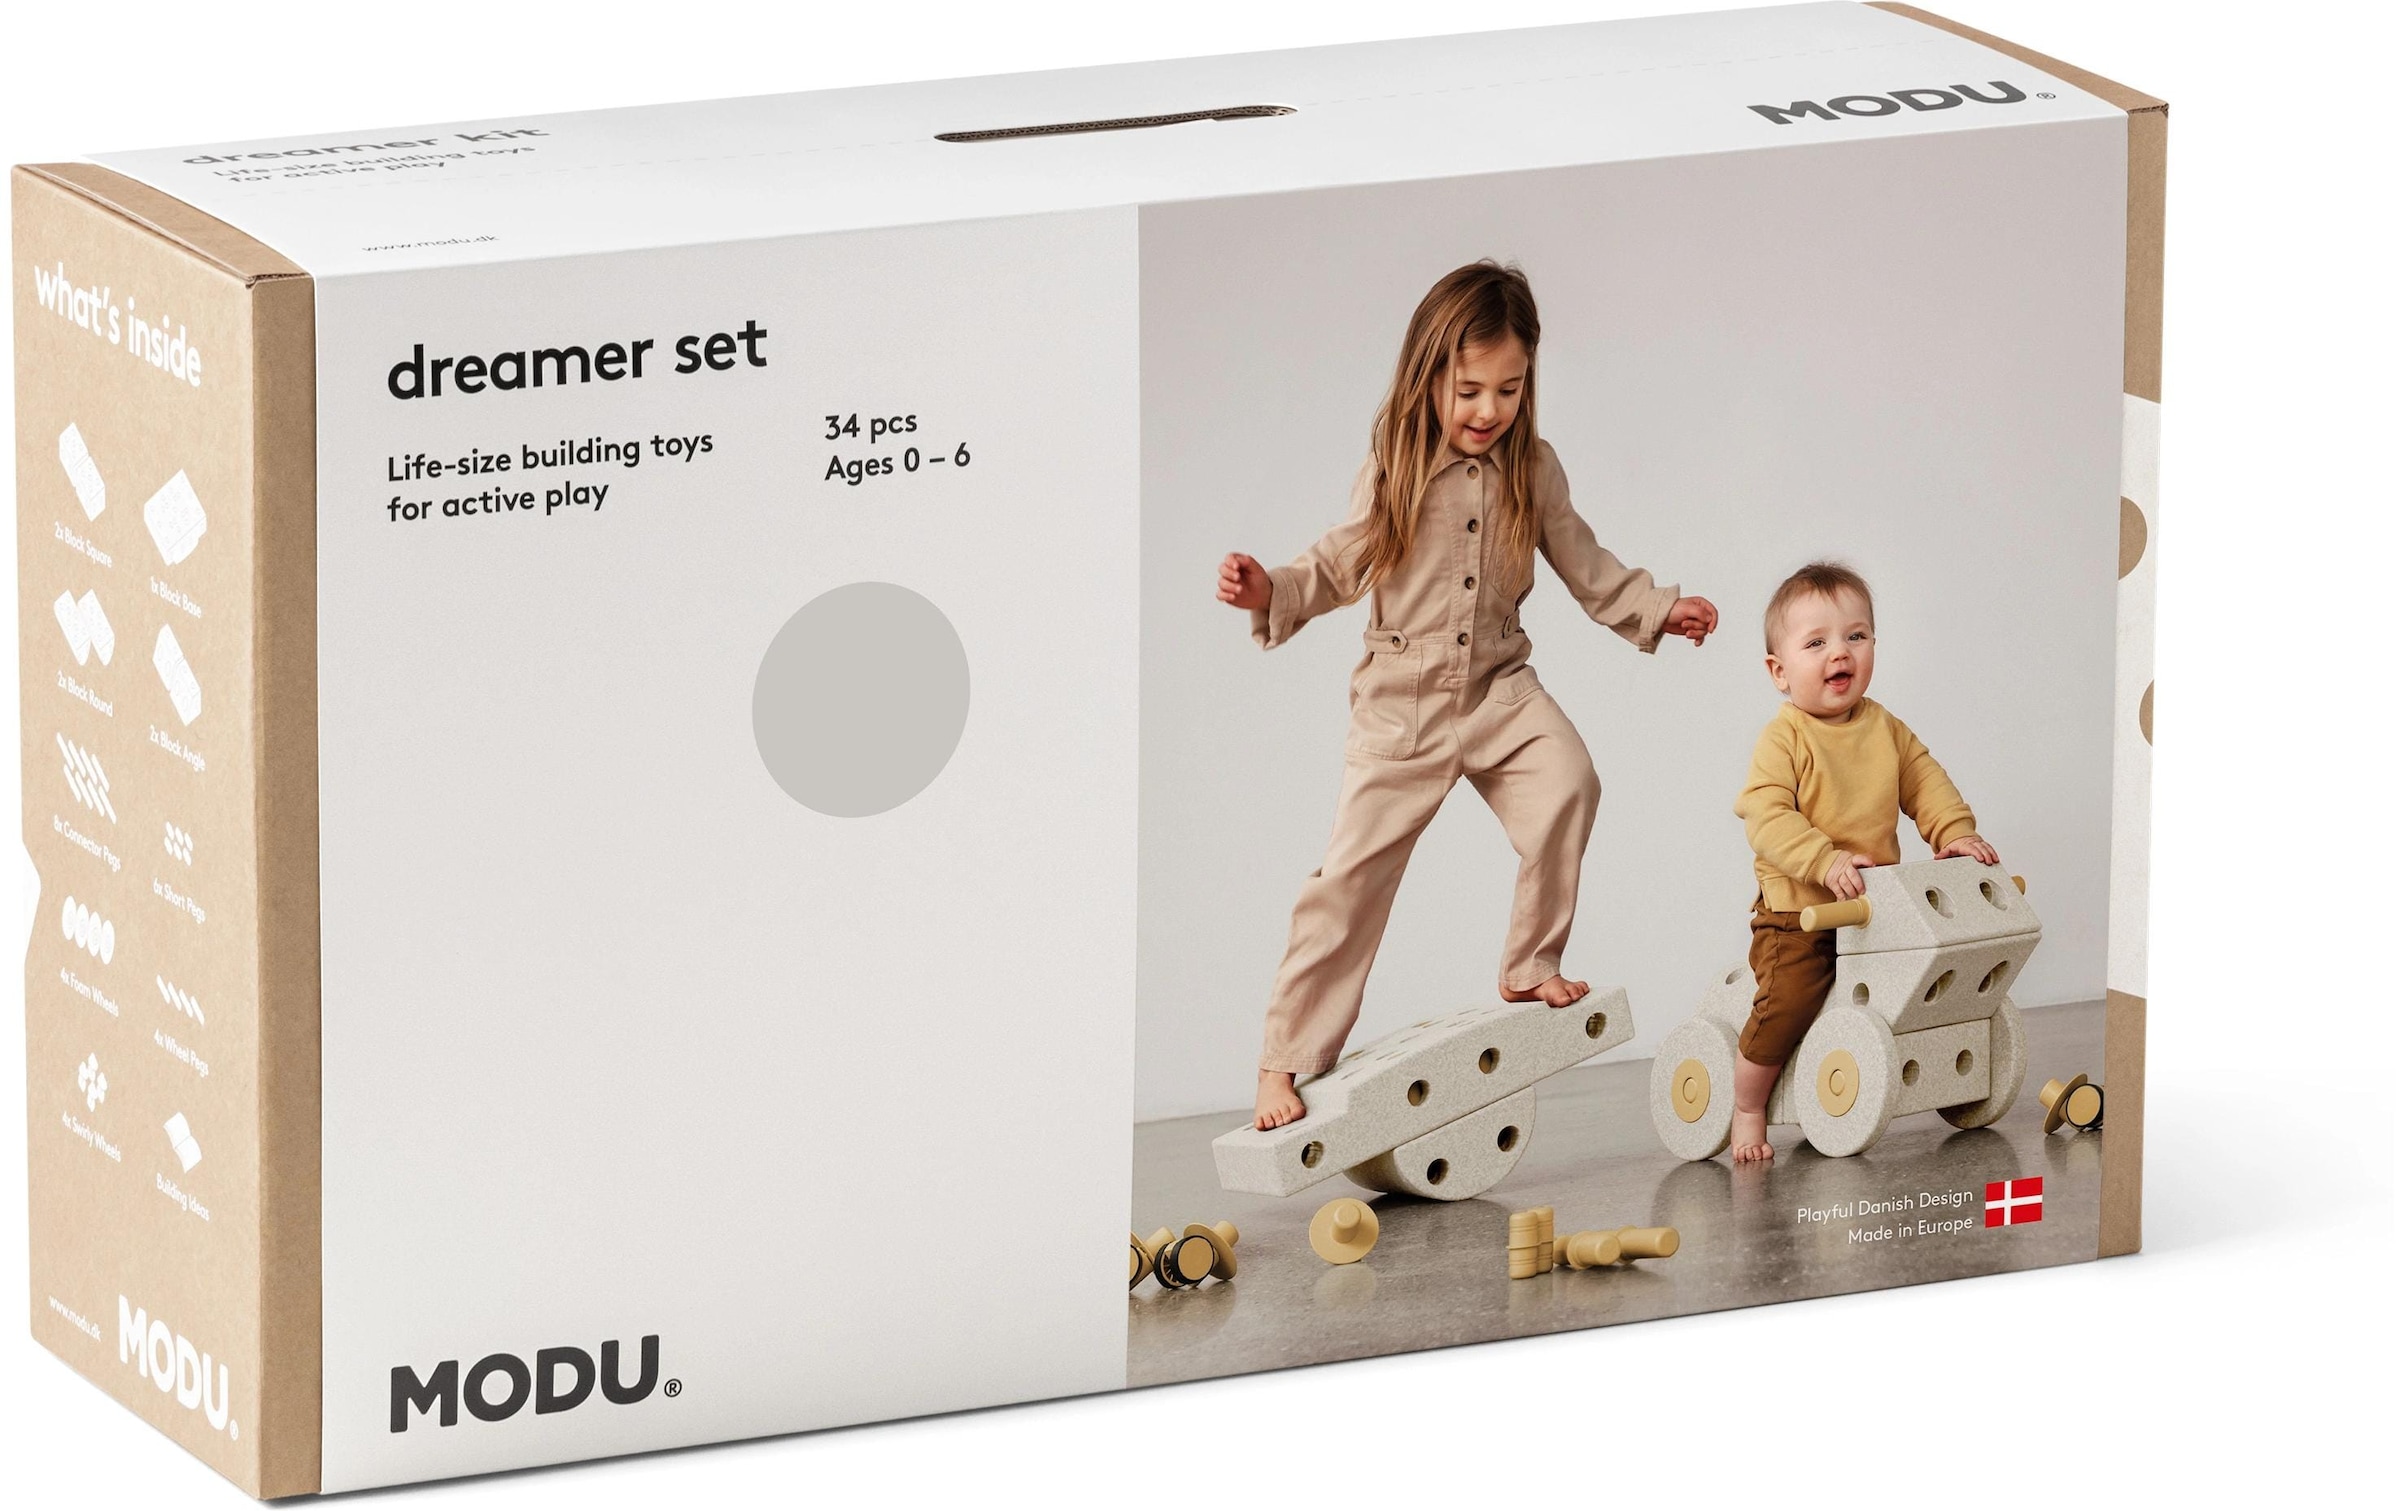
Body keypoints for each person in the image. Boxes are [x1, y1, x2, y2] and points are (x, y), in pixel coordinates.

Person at [1217, 261, 1718, 1131]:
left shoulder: (1534, 468)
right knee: (1348, 883)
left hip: (1497, 687)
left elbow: (1585, 560)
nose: (1489, 410)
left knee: (1569, 781)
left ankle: (1529, 963)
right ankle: (1282, 1060)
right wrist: (1273, 589)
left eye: (1509, 390)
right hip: (1401, 704)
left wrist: (1655, 608)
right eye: (1470, 389)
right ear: (1429, 375)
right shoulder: (1399, 462)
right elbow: (1340, 560)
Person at [1729, 561, 2001, 1163]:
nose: (1840, 652)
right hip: (1800, 914)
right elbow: (1765, 816)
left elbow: (1925, 782)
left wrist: (1955, 833)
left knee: (1921, 979)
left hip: (1876, 911)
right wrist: (1822, 860)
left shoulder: (1886, 728)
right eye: (1816, 643)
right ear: (1779, 671)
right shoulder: (1785, 738)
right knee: (1789, 1003)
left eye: (1856, 635)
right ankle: (1747, 1106)